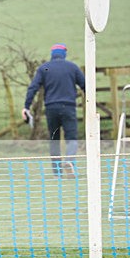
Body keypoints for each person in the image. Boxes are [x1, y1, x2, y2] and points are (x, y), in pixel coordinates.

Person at [23, 43, 86, 177]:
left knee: (54, 139)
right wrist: (91, 102)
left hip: (51, 108)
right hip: (68, 107)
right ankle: (69, 161)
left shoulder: (44, 68)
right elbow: (86, 86)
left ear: (52, 54)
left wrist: (26, 106)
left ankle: (57, 172)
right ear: (64, 54)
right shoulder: (72, 67)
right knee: (71, 138)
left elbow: (33, 88)